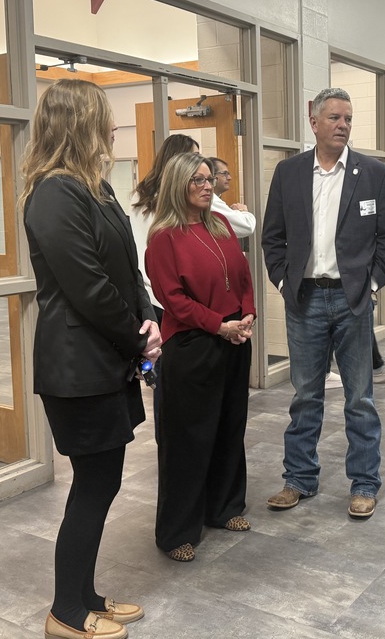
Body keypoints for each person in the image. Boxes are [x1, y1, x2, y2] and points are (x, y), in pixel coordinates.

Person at [21, 80, 161, 639]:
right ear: (78, 123)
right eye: (104, 119)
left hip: (106, 358)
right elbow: (88, 288)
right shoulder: (54, 194)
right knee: (93, 483)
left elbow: (126, 271)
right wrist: (136, 336)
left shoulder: (96, 187)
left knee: (102, 482)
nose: (112, 128)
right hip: (78, 366)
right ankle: (65, 612)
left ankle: (85, 594)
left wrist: (147, 315)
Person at [262, 86, 385, 520]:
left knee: (360, 396)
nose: (343, 125)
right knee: (305, 395)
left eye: (348, 118)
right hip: (304, 299)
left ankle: (364, 483)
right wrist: (286, 283)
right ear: (315, 121)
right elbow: (273, 238)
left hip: (352, 299)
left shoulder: (373, 174)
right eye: (335, 118)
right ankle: (299, 479)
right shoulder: (289, 174)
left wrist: (372, 284)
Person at [145, 152, 255, 562]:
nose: (208, 186)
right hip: (193, 344)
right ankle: (177, 531)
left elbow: (243, 277)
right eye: (198, 181)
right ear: (178, 185)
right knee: (188, 439)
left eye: (209, 179)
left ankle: (224, 507)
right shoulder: (163, 238)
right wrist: (218, 324)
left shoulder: (221, 224)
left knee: (230, 426)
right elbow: (170, 299)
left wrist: (247, 315)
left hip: (233, 340)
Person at [129, 133, 201, 439]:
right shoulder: (173, 202)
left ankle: (169, 438)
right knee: (172, 377)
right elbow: (245, 224)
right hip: (168, 298)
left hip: (148, 296)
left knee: (159, 371)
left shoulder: (139, 198)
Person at [208, 156, 256, 237]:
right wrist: (243, 211)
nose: (229, 178)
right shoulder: (211, 200)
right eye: (225, 174)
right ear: (212, 176)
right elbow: (247, 226)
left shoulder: (214, 199)